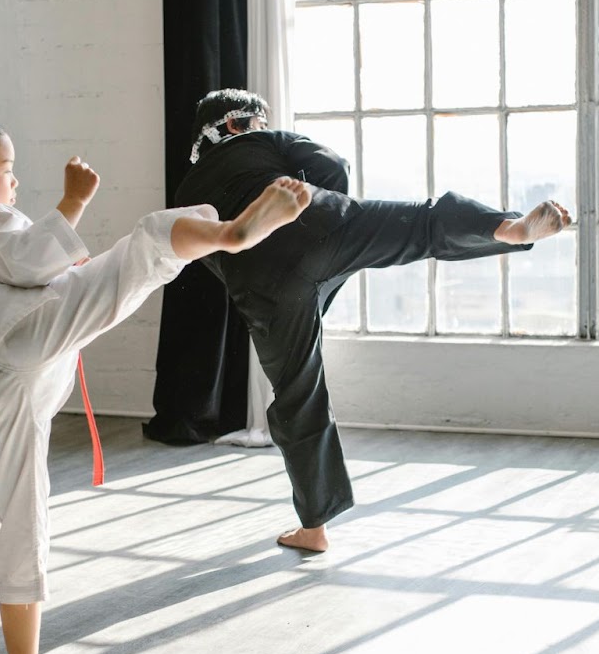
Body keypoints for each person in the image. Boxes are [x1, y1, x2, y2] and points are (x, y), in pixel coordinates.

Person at [0, 113, 309, 654]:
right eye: (6, 172)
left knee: (23, 517)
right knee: (148, 240)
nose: (13, 185)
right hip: (15, 338)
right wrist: (72, 201)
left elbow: (13, 277)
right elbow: (32, 261)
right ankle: (229, 234)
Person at [175, 89, 571, 554]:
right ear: (239, 125)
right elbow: (332, 165)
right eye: (256, 122)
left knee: (299, 394)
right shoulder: (265, 142)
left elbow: (207, 254)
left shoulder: (187, 191)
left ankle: (315, 527)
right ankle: (507, 228)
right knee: (422, 224)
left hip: (262, 285)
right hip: (321, 224)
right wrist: (331, 227)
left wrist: (271, 296)